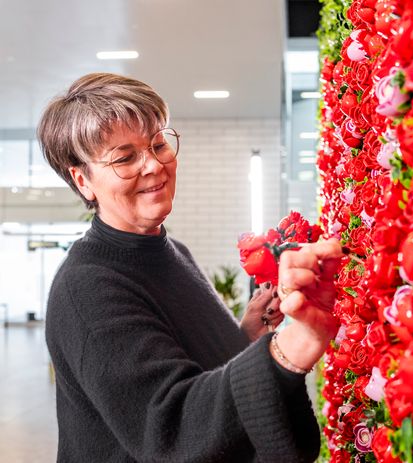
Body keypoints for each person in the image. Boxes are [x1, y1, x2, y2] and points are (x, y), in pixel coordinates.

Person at [38, 73, 342, 462]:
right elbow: (171, 428)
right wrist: (291, 348)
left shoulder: (170, 249)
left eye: (158, 144)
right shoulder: (86, 287)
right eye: (125, 157)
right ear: (83, 181)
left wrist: (244, 338)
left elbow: (188, 368)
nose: (153, 165)